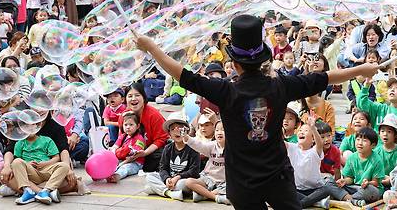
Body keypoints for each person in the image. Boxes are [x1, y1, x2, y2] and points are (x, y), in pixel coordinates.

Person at [135, 14, 380, 209]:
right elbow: (323, 77)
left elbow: (183, 75)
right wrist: (361, 70)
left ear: (234, 63)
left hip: (241, 184)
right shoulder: (281, 85)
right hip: (278, 179)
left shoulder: (225, 91)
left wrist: (151, 48)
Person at [145, 112, 200, 200]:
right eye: (173, 129)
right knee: (149, 177)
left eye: (180, 128)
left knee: (183, 184)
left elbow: (194, 171)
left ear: (187, 131)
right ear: (169, 134)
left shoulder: (193, 147)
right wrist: (166, 179)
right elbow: (162, 168)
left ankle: (159, 190)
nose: (177, 131)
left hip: (183, 180)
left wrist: (178, 177)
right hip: (170, 179)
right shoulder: (168, 148)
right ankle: (169, 193)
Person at [118, 82, 169, 172]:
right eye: (130, 96)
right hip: (133, 150)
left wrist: (144, 153)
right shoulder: (123, 116)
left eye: (137, 95)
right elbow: (122, 137)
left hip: (152, 150)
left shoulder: (153, 114)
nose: (133, 99)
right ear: (125, 99)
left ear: (144, 97)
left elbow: (161, 139)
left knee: (158, 158)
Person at [107, 112, 146, 183]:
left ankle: (117, 175)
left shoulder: (139, 138)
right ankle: (102, 174)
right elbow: (115, 147)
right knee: (108, 163)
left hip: (135, 162)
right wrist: (111, 152)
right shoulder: (123, 136)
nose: (128, 127)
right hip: (122, 159)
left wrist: (121, 163)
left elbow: (135, 154)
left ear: (137, 126)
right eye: (125, 125)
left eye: (131, 125)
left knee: (126, 168)